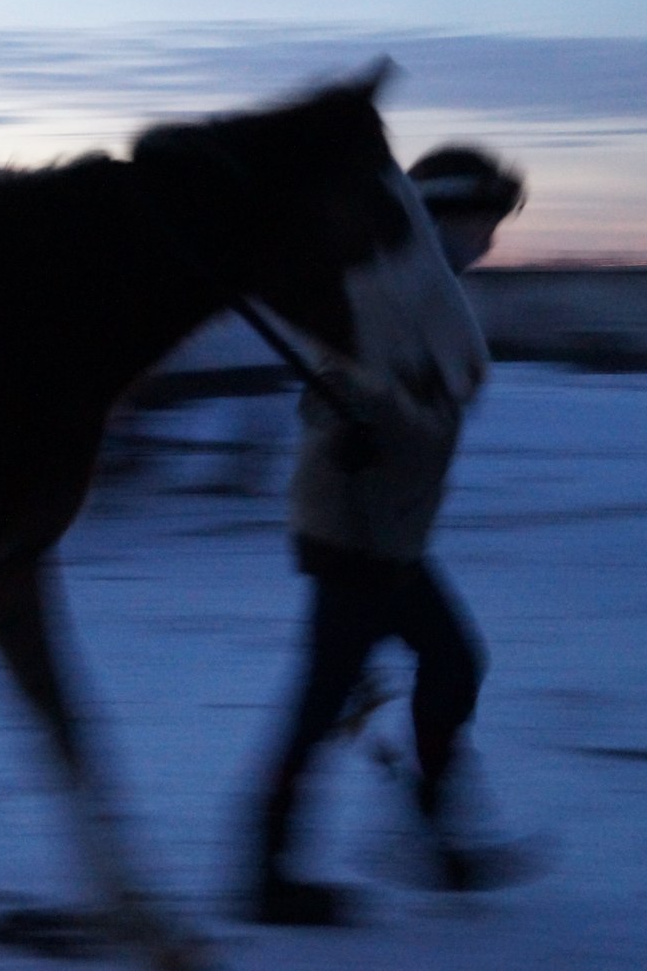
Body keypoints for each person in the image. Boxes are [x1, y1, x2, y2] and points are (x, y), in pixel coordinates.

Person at [235, 145, 529, 927]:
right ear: (432, 219)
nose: (488, 242)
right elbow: (329, 384)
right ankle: (268, 873)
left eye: (492, 228)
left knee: (444, 664)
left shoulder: (431, 295)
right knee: (331, 696)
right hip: (352, 532)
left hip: (391, 534)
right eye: (478, 224)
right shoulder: (377, 285)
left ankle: (424, 832)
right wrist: (343, 423)